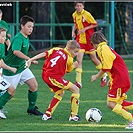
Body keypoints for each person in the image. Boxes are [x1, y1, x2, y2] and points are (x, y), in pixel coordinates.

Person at [26, 40, 81, 121]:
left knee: (60, 92)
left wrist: (30, 59)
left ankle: (47, 114)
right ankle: (73, 116)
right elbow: (68, 70)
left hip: (45, 74)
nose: (76, 54)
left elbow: (44, 54)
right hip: (53, 77)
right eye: (75, 52)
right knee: (76, 89)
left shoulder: (56, 49)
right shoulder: (69, 59)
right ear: (69, 49)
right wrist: (74, 65)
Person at [90, 31, 133, 129]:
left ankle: (131, 120)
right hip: (120, 77)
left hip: (119, 79)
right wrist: (111, 78)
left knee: (111, 104)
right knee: (119, 103)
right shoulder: (105, 47)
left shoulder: (102, 49)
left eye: (92, 45)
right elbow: (113, 65)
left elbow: (106, 67)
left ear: (94, 42)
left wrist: (96, 76)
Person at [3, 15, 43, 116]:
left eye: (32, 27)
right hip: (12, 70)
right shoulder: (18, 38)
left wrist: (28, 61)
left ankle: (31, 108)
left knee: (34, 85)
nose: (31, 29)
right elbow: (16, 52)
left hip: (22, 67)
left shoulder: (26, 38)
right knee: (10, 93)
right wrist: (29, 59)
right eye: (29, 26)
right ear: (22, 26)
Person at [72, 2, 107, 88]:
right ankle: (78, 81)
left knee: (94, 59)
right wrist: (73, 31)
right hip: (80, 39)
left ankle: (104, 75)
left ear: (83, 6)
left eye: (80, 5)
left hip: (89, 39)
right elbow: (76, 24)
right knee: (79, 59)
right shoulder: (74, 14)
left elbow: (95, 24)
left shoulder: (87, 14)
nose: (79, 7)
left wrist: (85, 29)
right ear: (75, 7)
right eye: (77, 6)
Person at [0, 27, 17, 119]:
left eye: (5, 36)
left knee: (11, 91)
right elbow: (1, 63)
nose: (4, 38)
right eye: (2, 36)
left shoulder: (2, 45)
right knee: (11, 89)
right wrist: (11, 68)